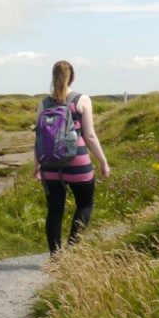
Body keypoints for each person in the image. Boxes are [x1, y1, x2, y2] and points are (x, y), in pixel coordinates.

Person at [34, 60, 111, 255]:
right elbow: (90, 136)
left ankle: (55, 257)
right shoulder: (82, 100)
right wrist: (103, 161)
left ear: (52, 77)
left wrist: (37, 165)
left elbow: (39, 138)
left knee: (54, 210)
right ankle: (72, 249)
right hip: (78, 162)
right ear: (73, 77)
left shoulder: (43, 104)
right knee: (85, 205)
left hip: (49, 164)